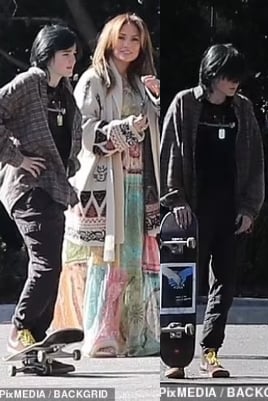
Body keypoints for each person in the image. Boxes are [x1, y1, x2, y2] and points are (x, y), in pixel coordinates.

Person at [51, 13, 161, 358]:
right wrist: (124, 129)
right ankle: (101, 334)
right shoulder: (94, 80)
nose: (128, 45)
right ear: (109, 40)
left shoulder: (144, 82)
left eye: (135, 39)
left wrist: (154, 104)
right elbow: (83, 132)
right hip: (105, 185)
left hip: (138, 183)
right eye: (122, 37)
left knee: (132, 263)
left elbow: (155, 136)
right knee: (103, 261)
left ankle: (131, 334)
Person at [160, 44, 265, 378]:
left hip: (230, 211)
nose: (233, 82)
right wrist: (175, 202)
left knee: (227, 283)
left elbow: (255, 162)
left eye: (237, 76)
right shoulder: (185, 104)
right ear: (211, 73)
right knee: (184, 286)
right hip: (191, 212)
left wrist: (249, 209)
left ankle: (210, 351)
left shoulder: (243, 110)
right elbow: (170, 153)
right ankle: (177, 356)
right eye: (227, 75)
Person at [0, 25, 82, 374]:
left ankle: (36, 342)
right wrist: (17, 157)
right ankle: (21, 329)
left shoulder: (64, 92)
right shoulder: (27, 83)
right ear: (47, 55)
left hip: (53, 189)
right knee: (46, 264)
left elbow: (70, 141)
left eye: (74, 54)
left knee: (53, 267)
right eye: (66, 54)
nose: (72, 60)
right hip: (27, 188)